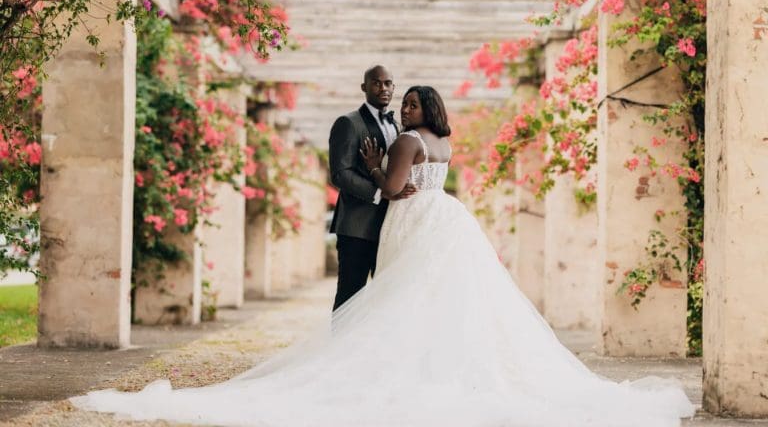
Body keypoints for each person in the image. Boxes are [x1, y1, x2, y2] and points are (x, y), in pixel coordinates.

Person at [71, 86, 695, 427]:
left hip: (411, 220)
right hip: (447, 220)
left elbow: (394, 190)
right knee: (436, 303)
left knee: (400, 299)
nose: (404, 112)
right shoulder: (445, 144)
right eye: (405, 107)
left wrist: (374, 165)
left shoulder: (407, 143)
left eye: (413, 105)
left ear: (426, 110)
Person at [328, 65, 416, 310]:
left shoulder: (399, 127)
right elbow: (340, 173)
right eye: (376, 83)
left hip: (390, 226)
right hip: (357, 226)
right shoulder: (348, 123)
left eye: (388, 83)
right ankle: (341, 348)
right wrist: (381, 192)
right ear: (364, 87)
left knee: (386, 298)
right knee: (350, 295)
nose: (383, 88)